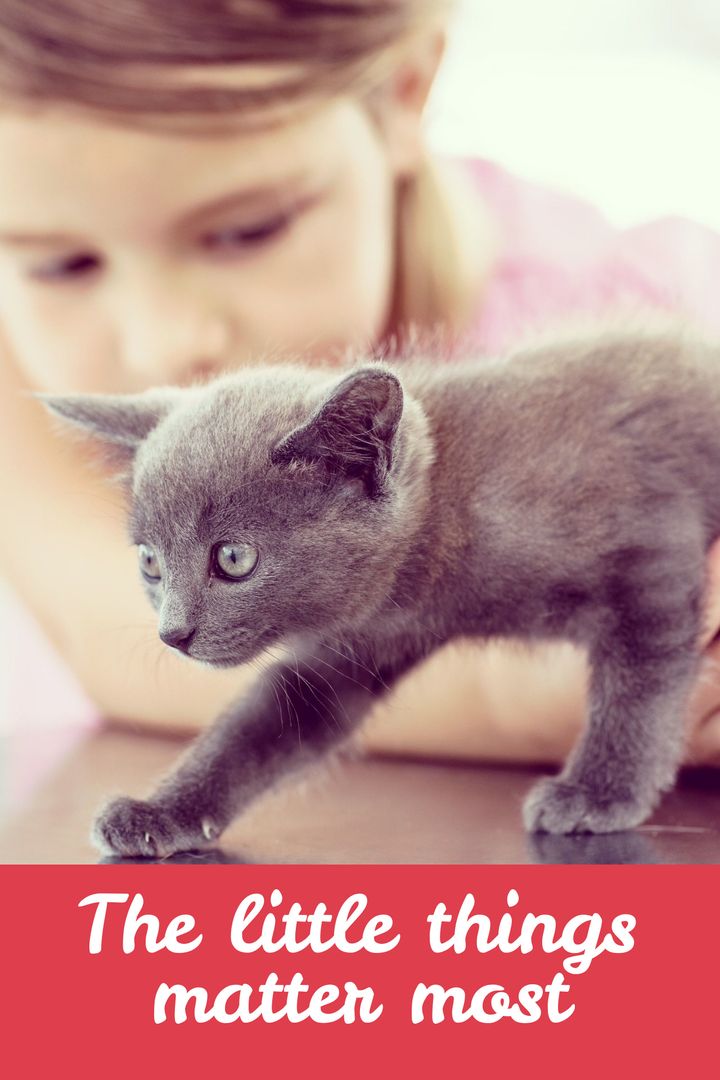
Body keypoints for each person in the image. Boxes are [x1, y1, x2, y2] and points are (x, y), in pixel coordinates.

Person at [1, 0, 720, 769]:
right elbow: (96, 627)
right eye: (60, 264)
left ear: (403, 91)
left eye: (247, 229)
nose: (163, 342)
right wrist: (523, 703)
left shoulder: (659, 321)